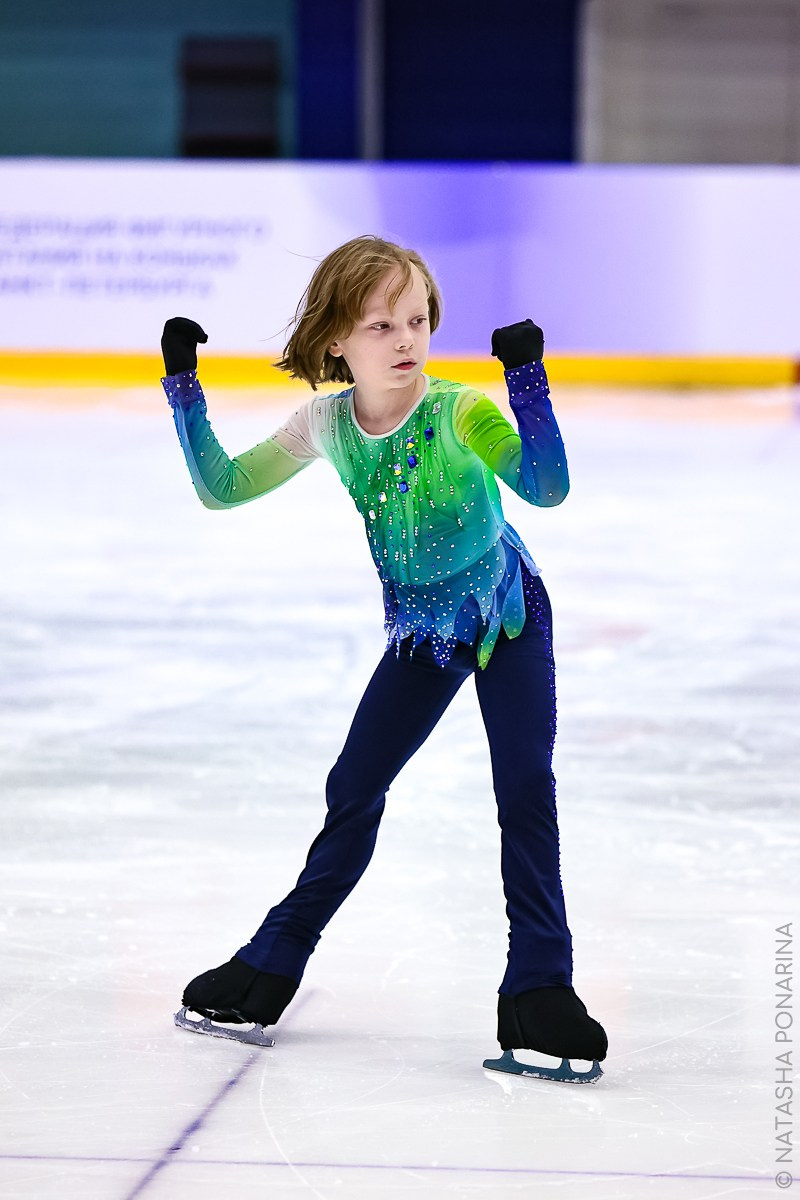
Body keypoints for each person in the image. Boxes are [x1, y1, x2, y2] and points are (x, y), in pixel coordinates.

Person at [161, 234, 608, 1083]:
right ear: (337, 340)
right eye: (380, 326)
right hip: (423, 634)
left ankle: (540, 987)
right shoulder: (327, 424)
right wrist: (183, 383)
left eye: (417, 321)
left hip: (507, 615)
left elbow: (547, 489)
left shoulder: (458, 411)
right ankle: (269, 964)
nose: (406, 341)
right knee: (354, 787)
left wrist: (526, 379)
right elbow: (222, 487)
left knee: (524, 788)